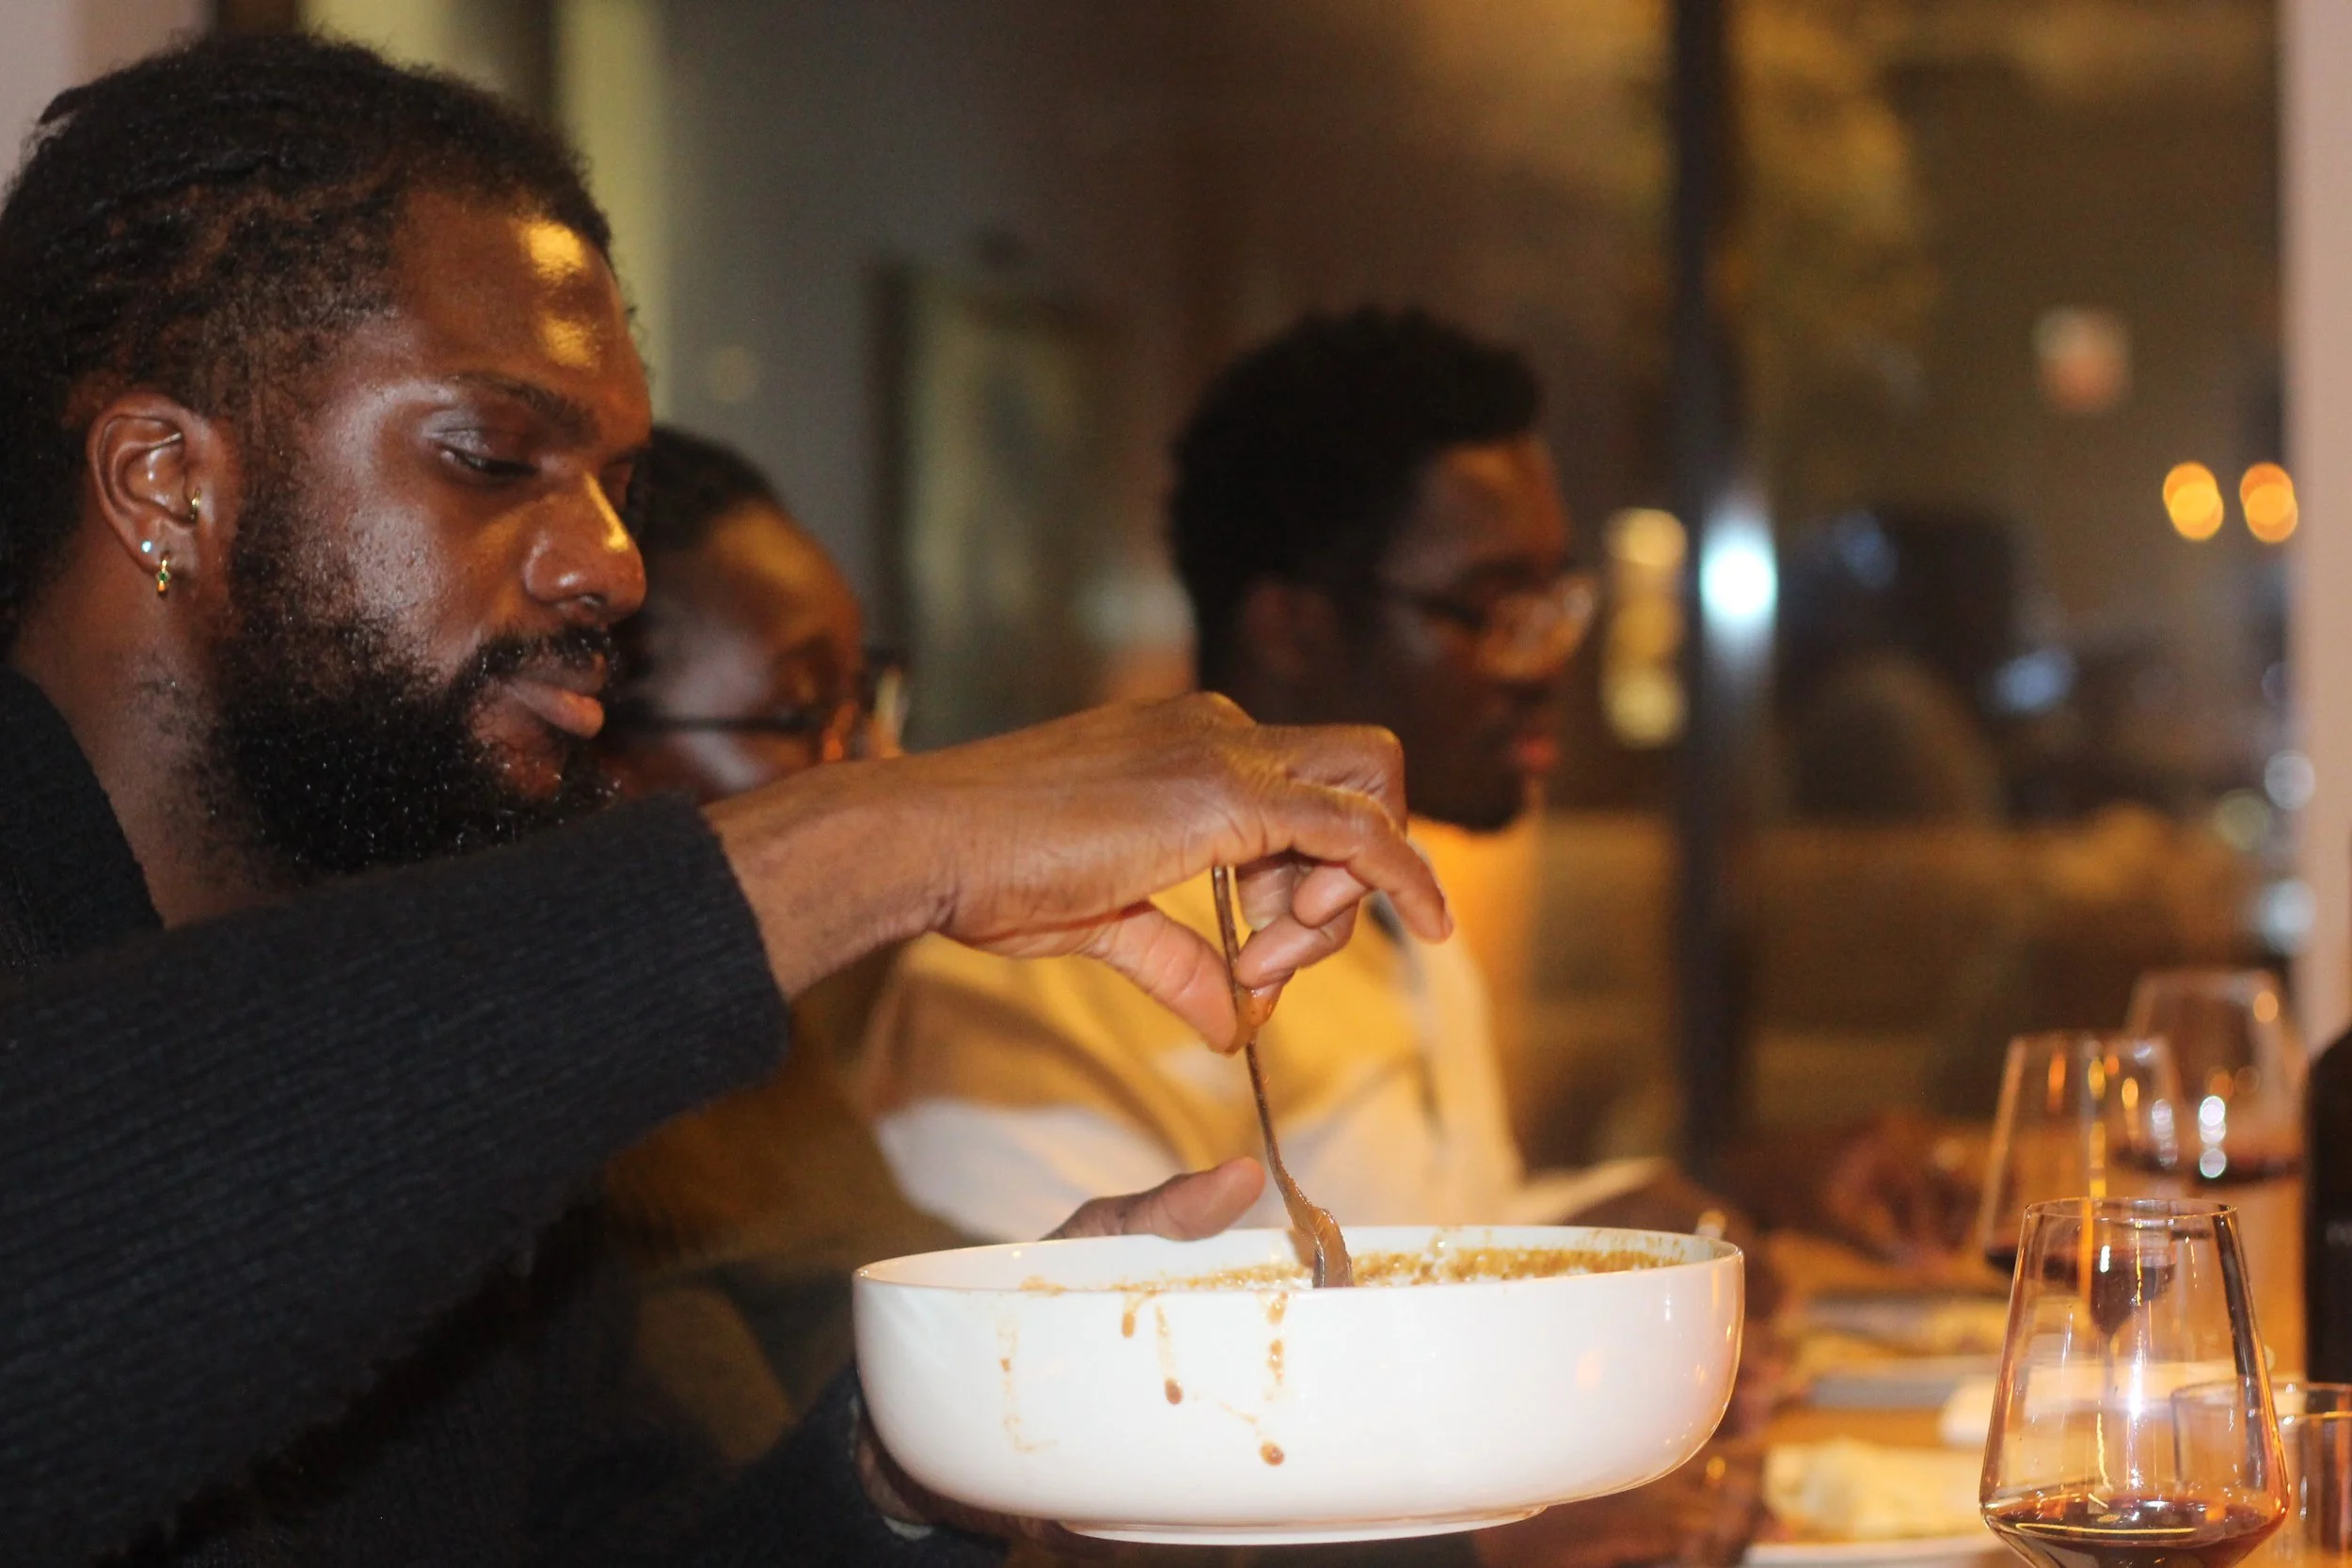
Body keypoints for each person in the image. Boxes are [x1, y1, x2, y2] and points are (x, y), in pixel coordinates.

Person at [0, 38, 1446, 1568]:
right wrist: (901, 833)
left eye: (616, 478)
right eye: (495, 456)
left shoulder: (462, 1048)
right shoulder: (408, 1042)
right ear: (164, 480)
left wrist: (942, 1443)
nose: (612, 562)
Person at [858, 308, 1971, 1260]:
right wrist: (1479, 1531)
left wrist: (1739, 1195)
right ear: (1291, 627)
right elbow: (1055, 1428)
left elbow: (1437, 1234)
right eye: (1490, 609)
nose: (1547, 664)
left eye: (1557, 603)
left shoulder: (1385, 902)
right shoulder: (1019, 991)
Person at [596, 424, 956, 1458]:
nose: (877, 761)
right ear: (600, 754)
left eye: (867, 697)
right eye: (806, 711)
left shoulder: (763, 1042)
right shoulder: (614, 1167)